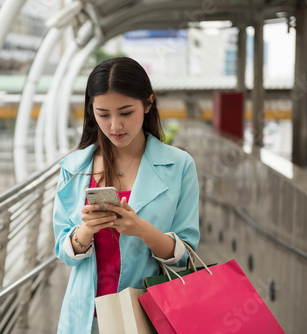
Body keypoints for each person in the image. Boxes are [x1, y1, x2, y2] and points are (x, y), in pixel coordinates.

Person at [53, 57, 200, 334]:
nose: (115, 126)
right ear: (91, 111)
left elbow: (187, 256)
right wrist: (86, 231)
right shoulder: (73, 169)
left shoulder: (180, 166)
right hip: (85, 317)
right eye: (103, 114)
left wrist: (142, 230)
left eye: (125, 112)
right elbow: (64, 251)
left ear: (148, 103)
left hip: (145, 316)